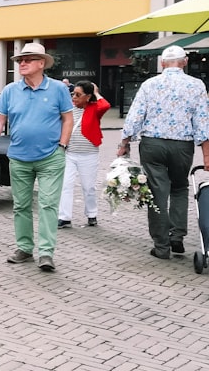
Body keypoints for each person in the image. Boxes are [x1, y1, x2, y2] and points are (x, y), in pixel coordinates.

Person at [0, 42, 73, 272]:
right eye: (20, 61)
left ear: (41, 63)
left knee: (48, 205)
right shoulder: (10, 91)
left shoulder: (58, 89)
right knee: (21, 205)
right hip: (19, 158)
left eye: (28, 60)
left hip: (51, 157)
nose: (22, 63)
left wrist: (62, 145)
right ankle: (24, 248)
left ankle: (46, 253)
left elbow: (67, 118)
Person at [118, 45, 209, 259]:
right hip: (182, 145)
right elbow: (203, 123)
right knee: (179, 187)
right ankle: (177, 235)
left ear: (162, 63)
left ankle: (161, 245)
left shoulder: (150, 84)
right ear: (184, 61)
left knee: (157, 192)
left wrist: (124, 142)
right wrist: (206, 155)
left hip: (153, 144)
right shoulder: (196, 85)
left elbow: (135, 115)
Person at [57, 81, 110, 229]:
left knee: (89, 187)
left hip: (89, 154)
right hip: (70, 153)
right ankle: (64, 217)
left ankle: (92, 214)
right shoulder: (69, 109)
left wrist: (96, 92)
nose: (74, 97)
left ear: (88, 97)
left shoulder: (94, 109)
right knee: (65, 185)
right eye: (73, 93)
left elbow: (105, 105)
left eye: (78, 95)